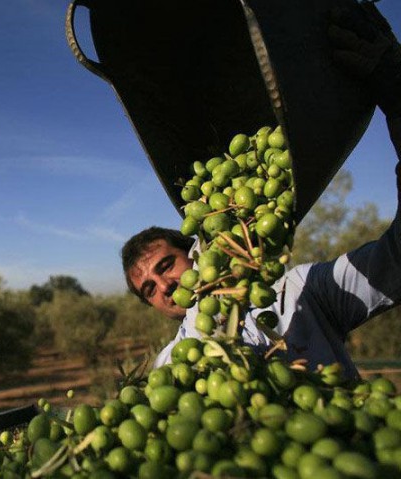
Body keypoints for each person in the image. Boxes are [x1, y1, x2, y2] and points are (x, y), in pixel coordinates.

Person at [121, 3, 401, 379]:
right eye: (149, 290)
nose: (165, 288)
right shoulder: (173, 366)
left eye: (165, 266)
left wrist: (397, 97)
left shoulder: (301, 292)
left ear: (197, 249)